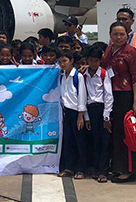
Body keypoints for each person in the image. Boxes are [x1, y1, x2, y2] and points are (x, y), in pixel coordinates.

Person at [100, 21, 136, 183]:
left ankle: (130, 170)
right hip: (111, 95)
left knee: (128, 133)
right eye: (115, 34)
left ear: (127, 35)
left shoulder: (131, 52)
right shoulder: (109, 50)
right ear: (110, 35)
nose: (119, 37)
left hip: (126, 96)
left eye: (122, 34)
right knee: (116, 133)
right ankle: (118, 166)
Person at [56, 49, 88, 179]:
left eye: (65, 61)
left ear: (71, 61)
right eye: (60, 62)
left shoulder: (78, 76)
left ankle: (81, 168)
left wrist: (81, 115)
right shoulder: (62, 75)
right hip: (66, 112)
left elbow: (82, 96)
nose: (62, 64)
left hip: (76, 112)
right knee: (68, 140)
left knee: (79, 141)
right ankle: (69, 167)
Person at [83, 46, 113, 183]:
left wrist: (106, 116)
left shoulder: (103, 74)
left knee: (104, 141)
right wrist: (86, 117)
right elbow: (83, 96)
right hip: (90, 109)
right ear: (87, 60)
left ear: (100, 61)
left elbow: (108, 95)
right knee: (94, 140)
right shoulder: (84, 75)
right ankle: (95, 168)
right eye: (91, 60)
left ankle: (104, 171)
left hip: (102, 109)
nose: (93, 63)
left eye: (96, 61)